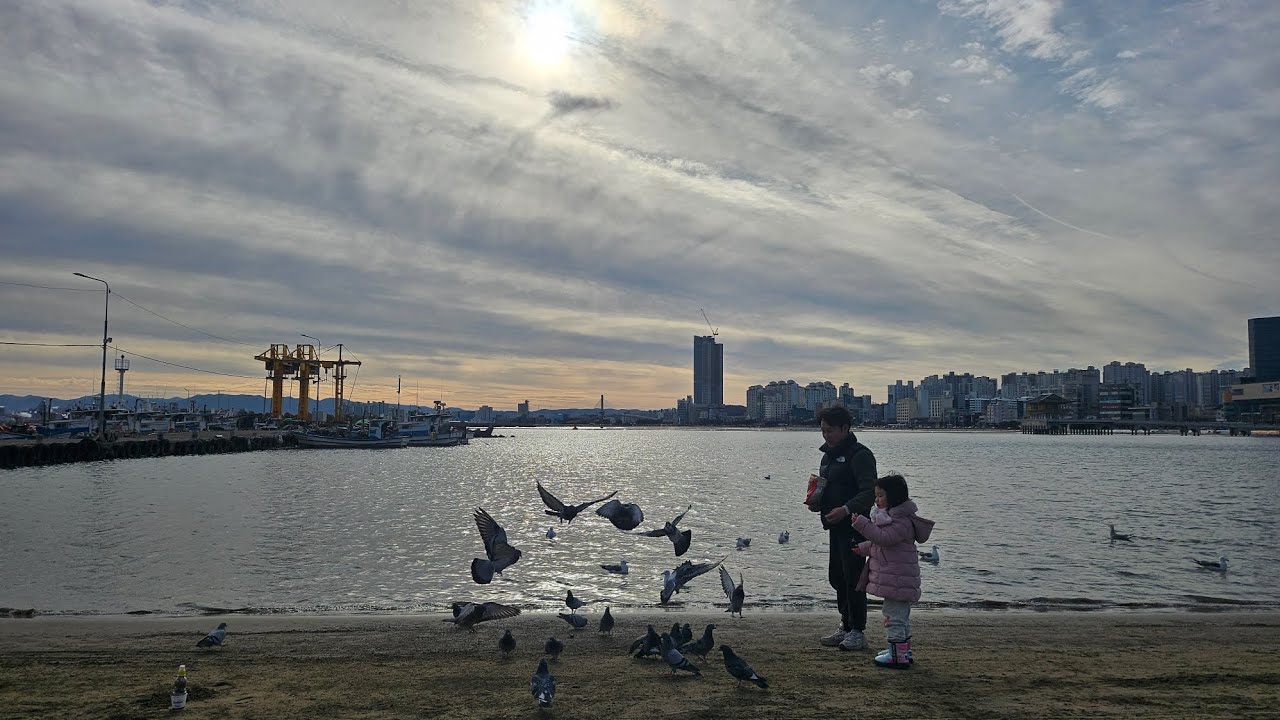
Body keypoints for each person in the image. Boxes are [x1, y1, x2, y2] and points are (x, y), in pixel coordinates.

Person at [850, 473, 935, 669]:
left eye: (881, 496)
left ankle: (897, 655)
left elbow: (884, 539)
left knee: (893, 616)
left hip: (897, 580)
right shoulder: (891, 519)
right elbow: (881, 543)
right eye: (876, 495)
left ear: (894, 496)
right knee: (900, 616)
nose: (877, 500)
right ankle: (903, 651)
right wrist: (862, 548)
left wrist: (862, 524)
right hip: (897, 578)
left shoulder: (901, 521)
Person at [811, 405, 877, 651]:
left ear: (845, 429)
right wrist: (817, 503)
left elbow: (870, 492)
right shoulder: (827, 456)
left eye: (830, 430)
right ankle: (846, 624)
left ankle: (858, 630)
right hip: (834, 525)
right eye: (823, 431)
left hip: (856, 527)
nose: (826, 435)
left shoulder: (860, 455)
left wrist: (846, 510)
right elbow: (826, 487)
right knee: (837, 577)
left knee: (854, 579)